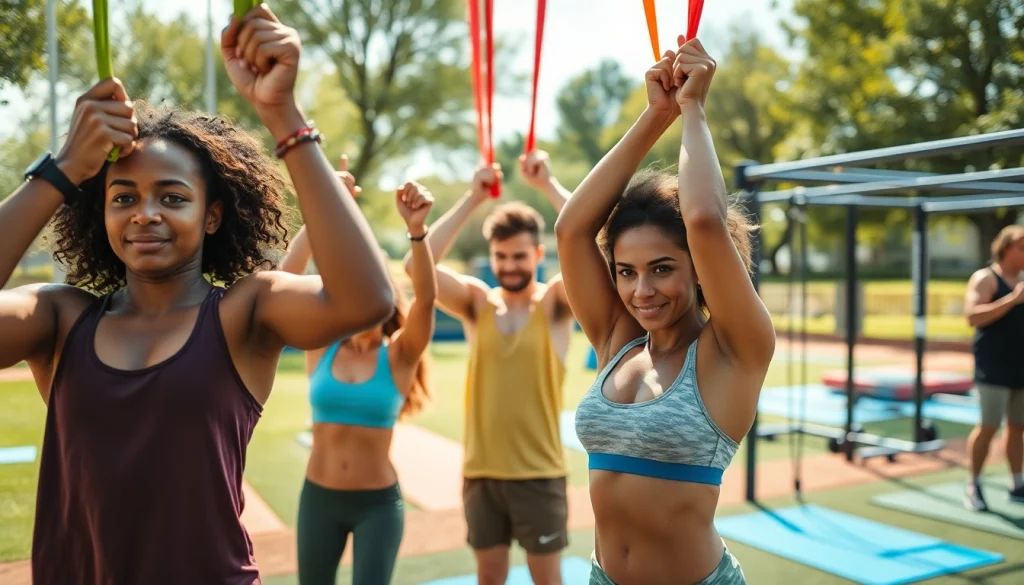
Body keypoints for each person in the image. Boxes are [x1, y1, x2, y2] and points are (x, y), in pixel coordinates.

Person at [0, 6, 394, 584]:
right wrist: (62, 169)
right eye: (123, 198)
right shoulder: (59, 318)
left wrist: (283, 116)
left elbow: (365, 301)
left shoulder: (245, 312)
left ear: (212, 216)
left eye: (172, 197)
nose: (145, 214)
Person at [554, 37, 774, 585]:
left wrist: (693, 108)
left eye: (661, 268)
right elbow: (571, 229)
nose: (641, 291)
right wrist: (655, 114)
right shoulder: (618, 340)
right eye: (626, 272)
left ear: (698, 267)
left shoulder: (734, 351)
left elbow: (702, 219)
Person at [403, 150, 573, 585]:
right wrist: (473, 198)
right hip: (482, 475)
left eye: (519, 256)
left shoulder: (556, 303)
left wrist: (547, 186)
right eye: (501, 256)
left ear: (538, 254)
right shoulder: (477, 302)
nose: (510, 266)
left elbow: (594, 247)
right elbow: (415, 266)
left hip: (540, 474)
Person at [280, 174, 437, 585]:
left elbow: (427, 299)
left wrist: (416, 231)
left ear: (386, 296)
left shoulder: (400, 355)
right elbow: (286, 279)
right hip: (318, 499)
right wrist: (324, 207)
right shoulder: (323, 343)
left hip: (377, 506)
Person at [963, 224, 1024, 511]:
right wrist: (1012, 300)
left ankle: (1017, 481)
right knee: (988, 426)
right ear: (1005, 248)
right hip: (992, 366)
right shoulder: (986, 279)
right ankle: (973, 484)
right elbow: (973, 316)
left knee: (1018, 427)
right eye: (1022, 247)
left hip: (1020, 366)